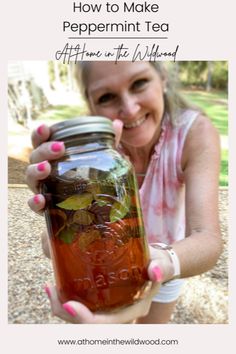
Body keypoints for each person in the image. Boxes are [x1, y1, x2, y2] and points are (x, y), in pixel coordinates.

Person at [26, 61, 222, 324]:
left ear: (163, 77)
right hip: (100, 272)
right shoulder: (83, 160)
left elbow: (208, 239)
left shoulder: (193, 133)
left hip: (174, 258)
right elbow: (52, 248)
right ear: (91, 104)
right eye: (106, 97)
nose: (129, 109)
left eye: (139, 83)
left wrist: (163, 262)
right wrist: (58, 221)